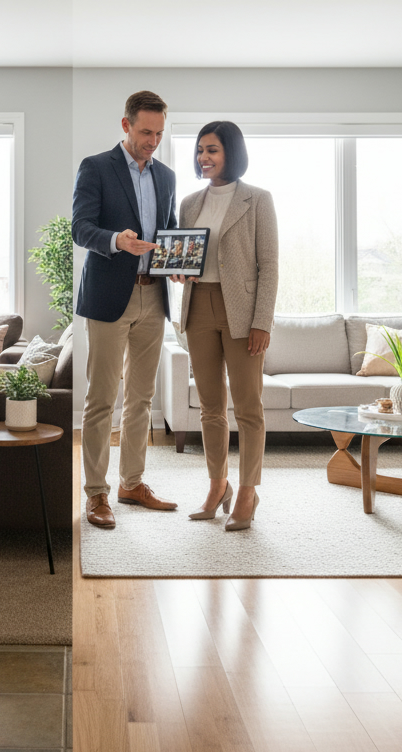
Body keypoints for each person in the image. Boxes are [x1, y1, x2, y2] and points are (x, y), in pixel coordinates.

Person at [73, 90, 179, 529]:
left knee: (142, 398)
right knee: (101, 400)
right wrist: (118, 240)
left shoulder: (168, 176)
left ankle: (131, 483)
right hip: (108, 297)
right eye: (144, 132)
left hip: (153, 295)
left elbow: (169, 232)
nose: (152, 140)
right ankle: (96, 494)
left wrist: (178, 264)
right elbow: (82, 228)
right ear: (126, 125)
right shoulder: (96, 167)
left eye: (158, 133)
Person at [170, 121, 278, 530]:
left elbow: (268, 266)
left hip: (242, 312)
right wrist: (177, 271)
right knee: (211, 408)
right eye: (200, 150)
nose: (204, 158)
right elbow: (183, 256)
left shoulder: (258, 200)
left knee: (249, 408)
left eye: (212, 150)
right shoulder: (190, 203)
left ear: (231, 151)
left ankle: (248, 492)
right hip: (198, 307)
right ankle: (218, 486)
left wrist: (261, 321)